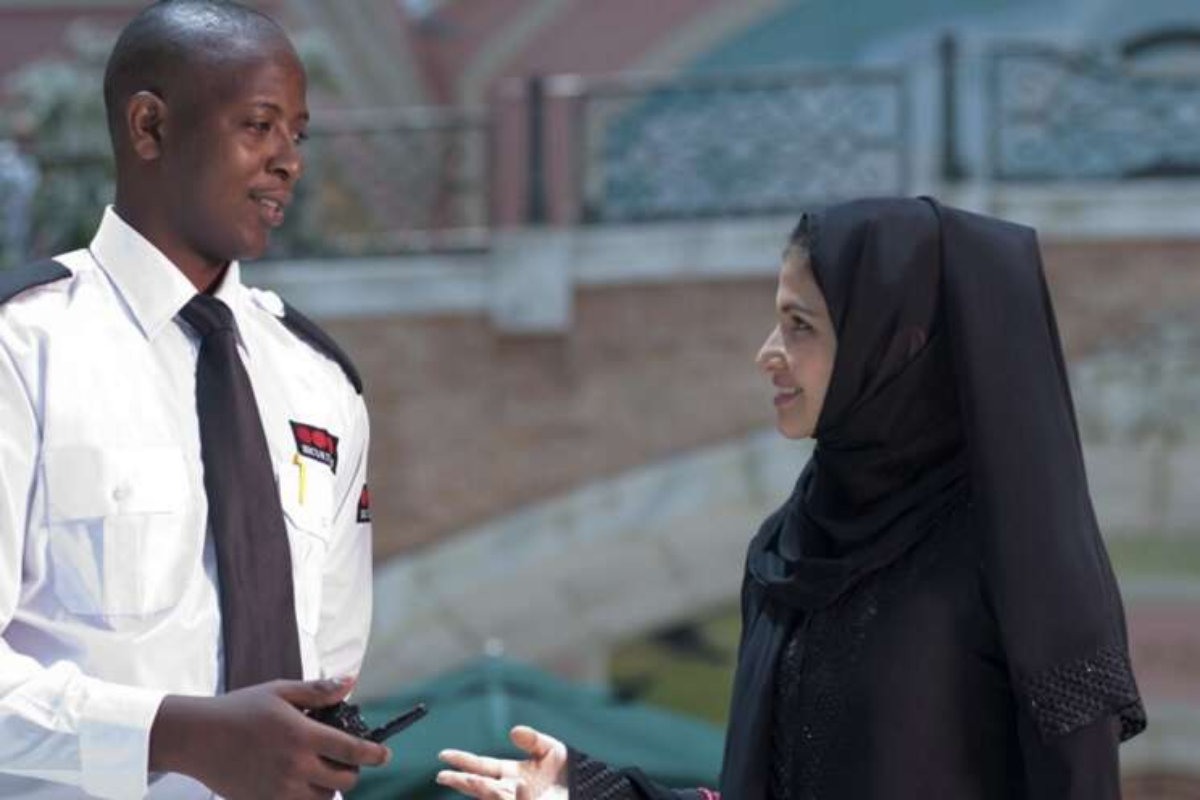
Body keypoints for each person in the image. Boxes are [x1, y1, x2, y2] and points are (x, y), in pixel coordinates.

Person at [435, 197, 1147, 800]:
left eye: (801, 325)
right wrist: (588, 791)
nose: (768, 352)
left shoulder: (1022, 561)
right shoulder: (788, 551)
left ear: (896, 345)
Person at [0, 2, 389, 797]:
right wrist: (177, 736)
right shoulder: (23, 351)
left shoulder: (320, 382)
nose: (289, 161)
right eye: (259, 125)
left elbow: (332, 660)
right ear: (149, 127)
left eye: (298, 134)